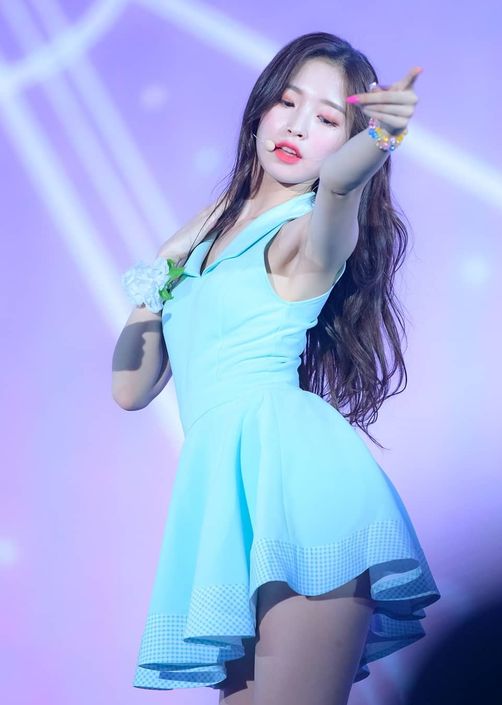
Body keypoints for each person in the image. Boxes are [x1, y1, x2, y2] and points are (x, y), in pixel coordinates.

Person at [112, 31, 440, 705]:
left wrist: (383, 138)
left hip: (297, 488)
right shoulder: (203, 247)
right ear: (260, 108)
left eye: (327, 118)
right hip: (227, 499)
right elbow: (129, 387)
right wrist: (169, 259)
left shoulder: (304, 232)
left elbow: (340, 187)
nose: (296, 126)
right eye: (287, 103)